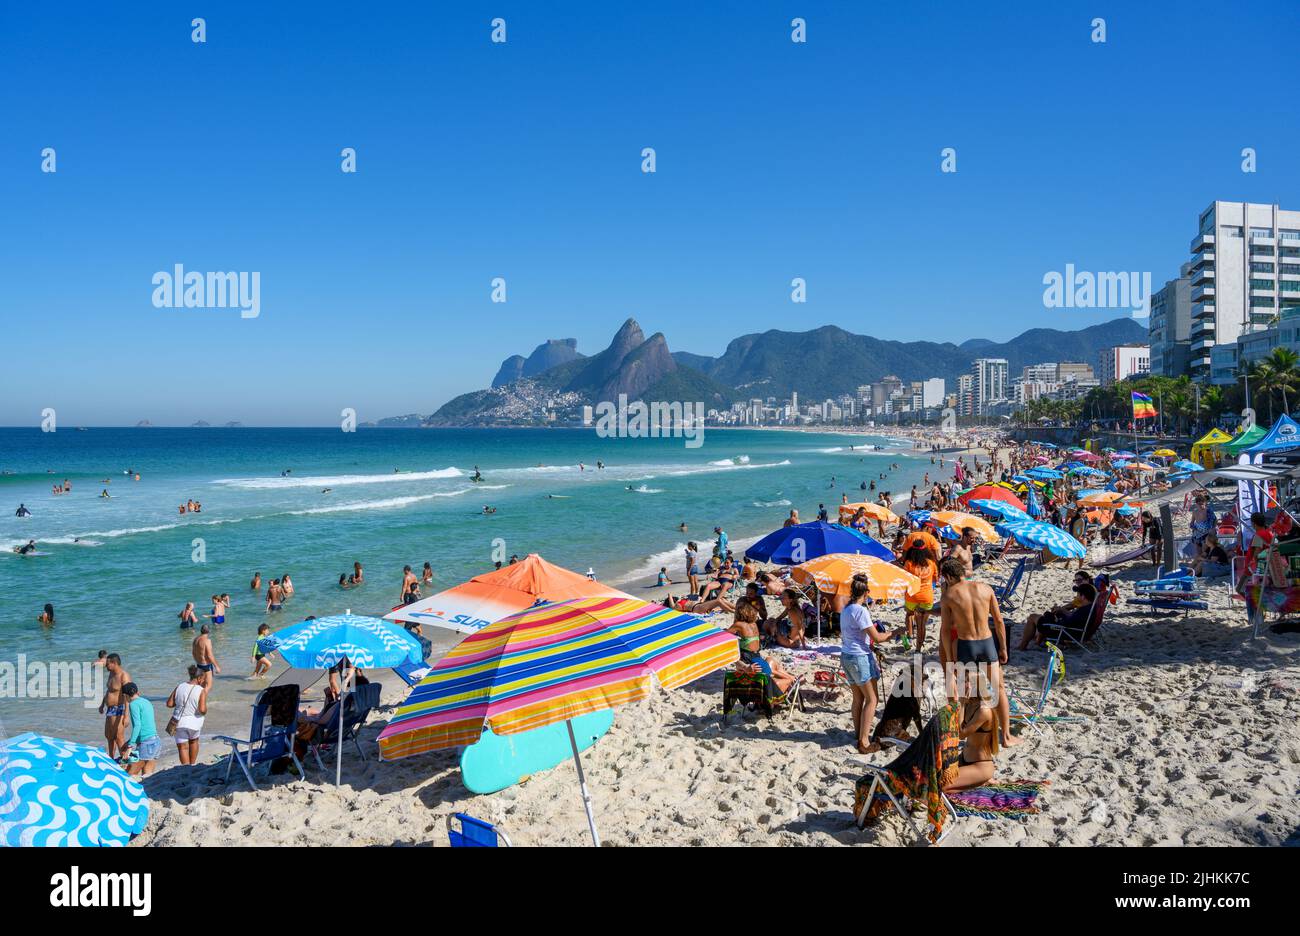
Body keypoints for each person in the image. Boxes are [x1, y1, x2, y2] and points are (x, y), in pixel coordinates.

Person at [938, 557, 1019, 747]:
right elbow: (999, 621)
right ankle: (1006, 737)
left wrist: (950, 658)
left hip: (967, 645)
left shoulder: (949, 596)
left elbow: (946, 630)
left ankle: (958, 735)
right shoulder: (986, 588)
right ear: (963, 573)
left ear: (948, 577)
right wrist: (1004, 648)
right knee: (1000, 690)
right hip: (987, 643)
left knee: (963, 694)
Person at [839, 576, 899, 754]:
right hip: (859, 657)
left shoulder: (846, 609)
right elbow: (877, 637)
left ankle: (859, 734)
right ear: (865, 593)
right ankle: (864, 742)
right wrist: (895, 632)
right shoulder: (860, 611)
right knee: (872, 700)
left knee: (858, 698)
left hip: (847, 655)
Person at [1018, 579, 1097, 650]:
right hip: (1069, 630)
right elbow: (1074, 618)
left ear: (1083, 597)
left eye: (1078, 594)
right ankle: (1037, 641)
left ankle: (1022, 646)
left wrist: (1060, 613)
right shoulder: (1089, 607)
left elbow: (1071, 621)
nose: (1077, 596)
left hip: (1063, 631)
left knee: (1033, 617)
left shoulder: (1085, 610)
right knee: (1048, 615)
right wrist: (1061, 611)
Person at [167, 665, 208, 766]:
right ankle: (192, 765)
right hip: (194, 723)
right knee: (194, 742)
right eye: (203, 679)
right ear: (199, 678)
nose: (203, 681)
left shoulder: (179, 686)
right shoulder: (200, 690)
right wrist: (205, 709)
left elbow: (169, 704)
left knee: (182, 747)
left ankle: (185, 767)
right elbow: (202, 710)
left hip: (179, 722)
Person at [901, 542, 938, 649]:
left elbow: (904, 580)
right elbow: (936, 580)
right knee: (921, 625)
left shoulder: (908, 563)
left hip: (912, 596)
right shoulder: (931, 563)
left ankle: (910, 635)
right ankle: (918, 649)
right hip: (926, 597)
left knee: (909, 614)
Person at [119, 683, 160, 777]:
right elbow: (146, 726)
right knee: (147, 776)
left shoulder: (133, 704)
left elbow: (137, 726)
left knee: (130, 775)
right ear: (137, 692)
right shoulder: (146, 701)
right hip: (156, 741)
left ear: (125, 696)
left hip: (146, 744)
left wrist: (130, 746)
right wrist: (129, 741)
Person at [99, 654, 131, 759]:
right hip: (110, 709)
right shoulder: (111, 674)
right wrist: (102, 704)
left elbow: (127, 696)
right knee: (109, 736)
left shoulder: (123, 676)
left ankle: (126, 761)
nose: (105, 666)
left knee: (119, 738)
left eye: (107, 664)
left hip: (119, 709)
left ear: (114, 663)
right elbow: (109, 691)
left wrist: (126, 716)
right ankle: (111, 760)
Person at [192, 624, 220, 688]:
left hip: (199, 665)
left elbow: (193, 653)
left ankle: (198, 697)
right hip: (206, 666)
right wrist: (217, 666)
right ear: (209, 631)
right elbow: (210, 655)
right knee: (208, 686)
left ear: (201, 630)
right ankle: (202, 698)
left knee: (201, 685)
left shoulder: (195, 639)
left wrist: (198, 661)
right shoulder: (207, 641)